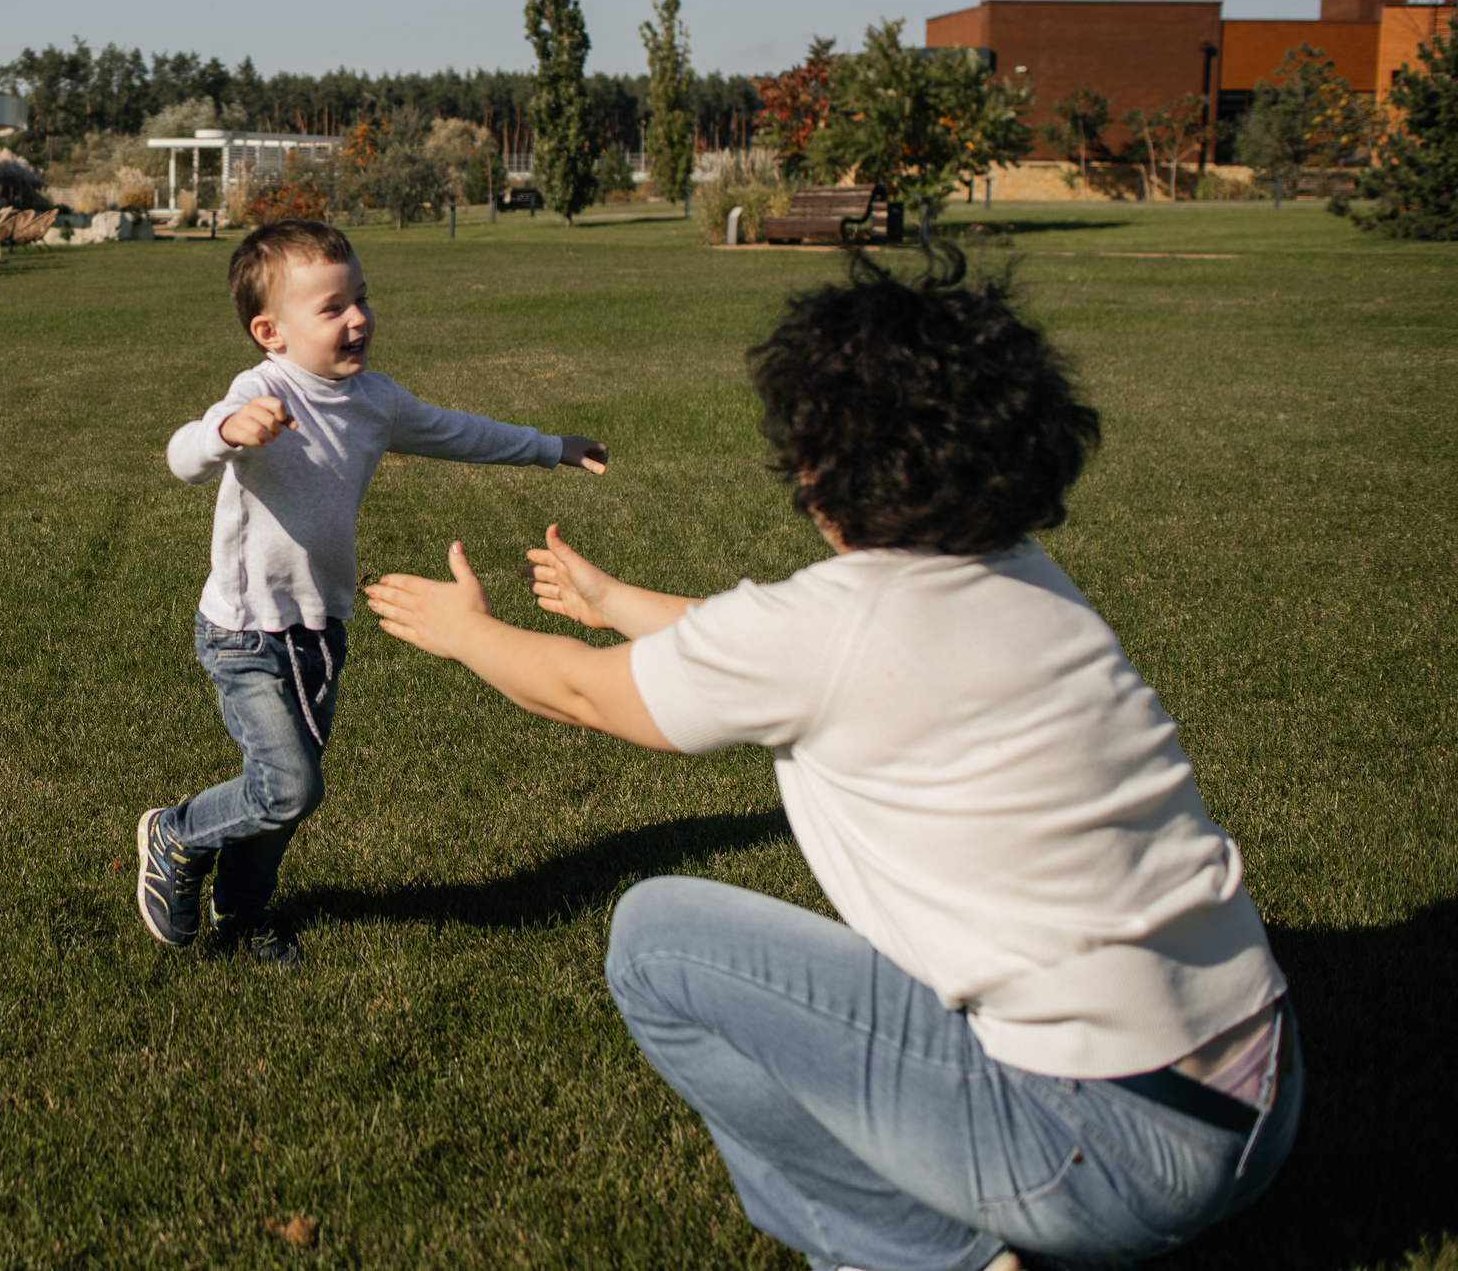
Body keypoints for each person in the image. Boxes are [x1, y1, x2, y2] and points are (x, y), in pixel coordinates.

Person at [364, 252, 1297, 1271]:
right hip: (1261, 1100)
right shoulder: (1022, 574)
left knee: (655, 940)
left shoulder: (842, 625)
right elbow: (800, 646)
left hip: (1106, 1162)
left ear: (820, 463)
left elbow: (590, 692)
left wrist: (465, 632)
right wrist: (618, 604)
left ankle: (924, 1255)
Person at [139, 219, 611, 964]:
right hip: (245, 633)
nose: (357, 318)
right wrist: (229, 428)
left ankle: (243, 910)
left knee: (282, 802)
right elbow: (182, 454)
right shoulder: (261, 389)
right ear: (272, 331)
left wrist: (554, 447)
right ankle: (176, 831)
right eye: (331, 308)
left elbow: (460, 432)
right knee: (289, 785)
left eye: (360, 298)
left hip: (320, 629)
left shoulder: (375, 401)